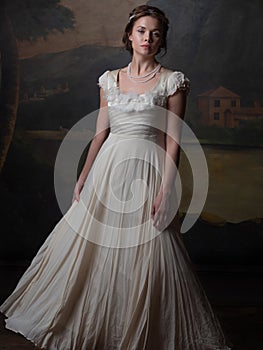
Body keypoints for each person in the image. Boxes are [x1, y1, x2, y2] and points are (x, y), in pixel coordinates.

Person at [0, 4, 232, 350]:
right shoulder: (109, 79)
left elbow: (173, 140)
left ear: (161, 40)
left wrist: (167, 187)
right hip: (108, 167)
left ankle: (138, 323)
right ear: (129, 35)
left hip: (147, 169)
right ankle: (93, 319)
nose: (148, 38)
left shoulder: (173, 81)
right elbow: (100, 134)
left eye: (155, 33)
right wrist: (83, 174)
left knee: (148, 247)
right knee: (92, 244)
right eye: (142, 31)